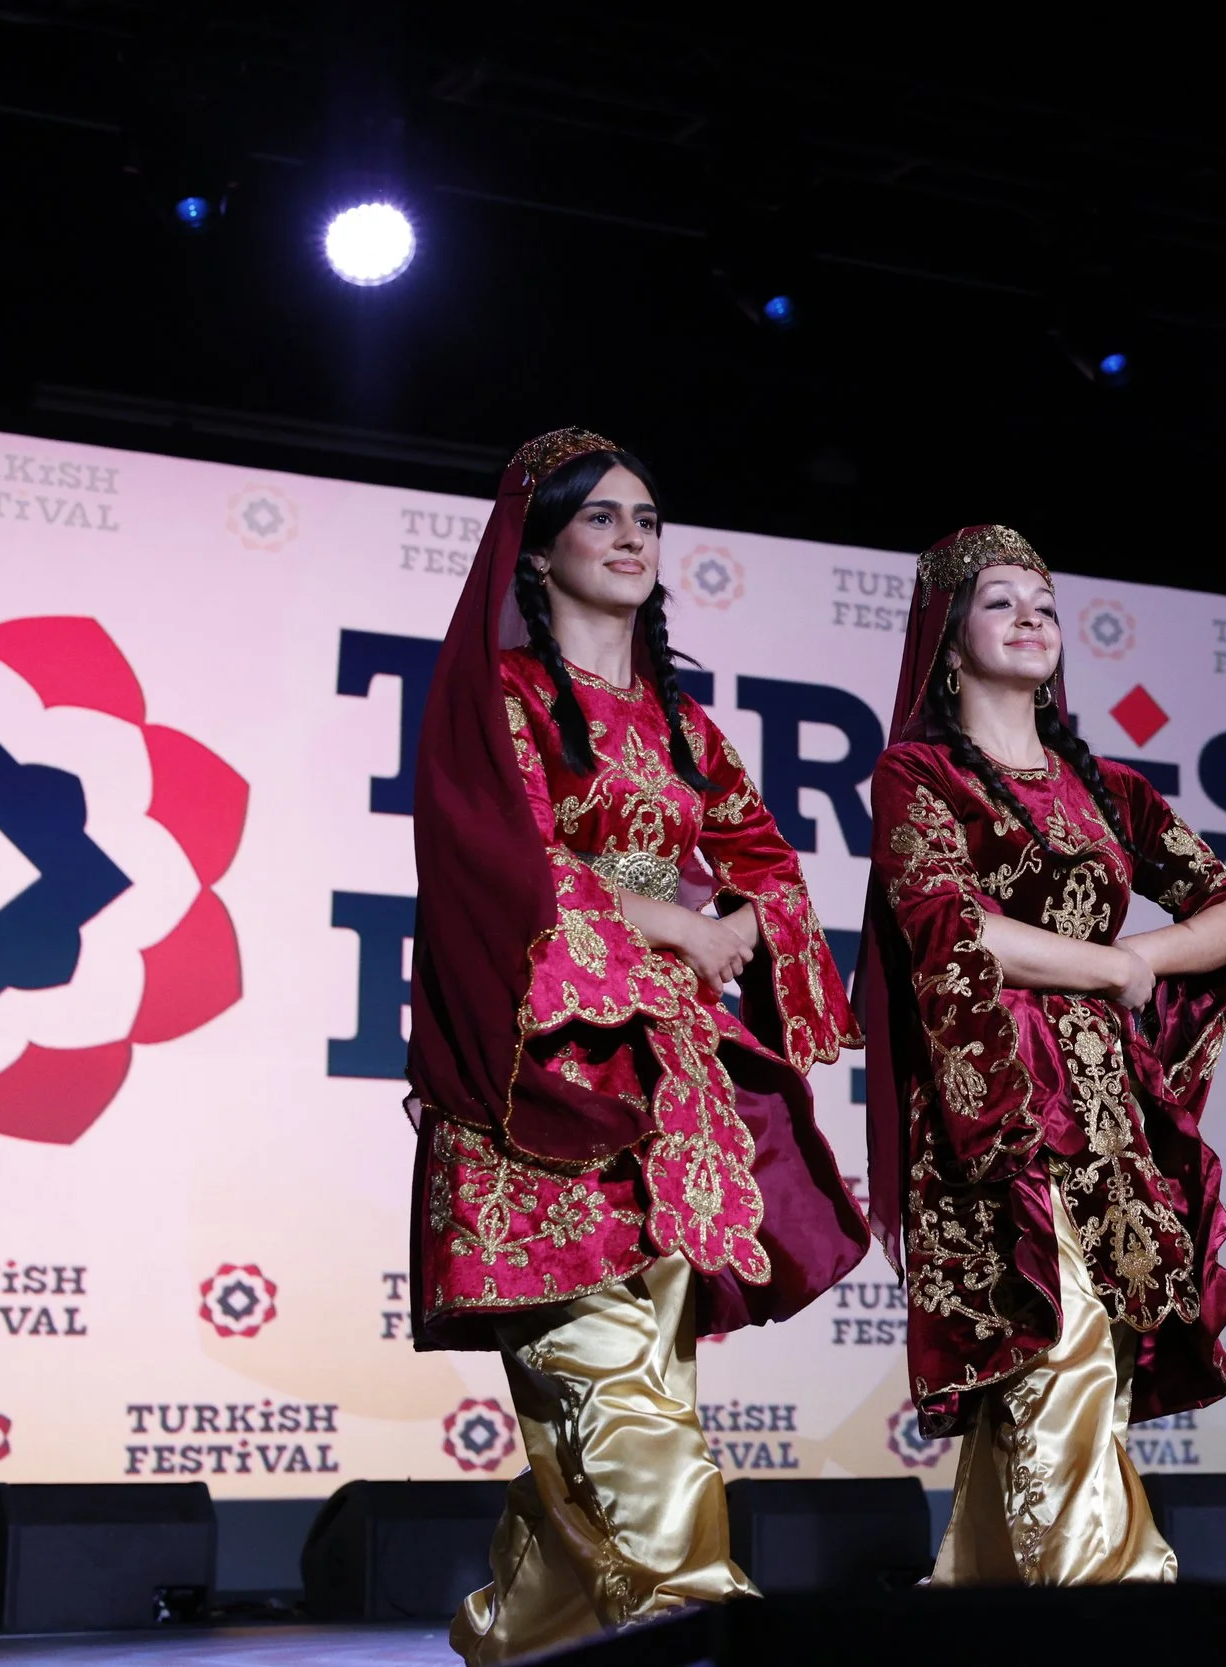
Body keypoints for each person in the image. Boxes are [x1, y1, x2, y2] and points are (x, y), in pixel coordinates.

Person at [404, 428, 866, 1660]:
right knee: (607, 1381)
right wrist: (669, 917)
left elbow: (760, 854)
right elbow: (493, 865)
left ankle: (531, 1627)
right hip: (540, 1073)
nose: (629, 536)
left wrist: (746, 926)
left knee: (626, 1393)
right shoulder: (497, 700)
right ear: (539, 551)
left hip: (673, 1083)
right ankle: (701, 1628)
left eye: (646, 519)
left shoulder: (678, 724)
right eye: (600, 517)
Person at [856, 523, 1226, 1584]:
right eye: (1002, 601)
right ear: (949, 643)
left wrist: (1143, 956)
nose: (1032, 616)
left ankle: (984, 1593)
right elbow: (945, 921)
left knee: (1085, 1355)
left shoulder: (1110, 789)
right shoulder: (918, 773)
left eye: (1044, 602)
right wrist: (1109, 968)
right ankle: (1115, 1600)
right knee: (1058, 1338)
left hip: (1107, 1102)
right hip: (992, 1090)